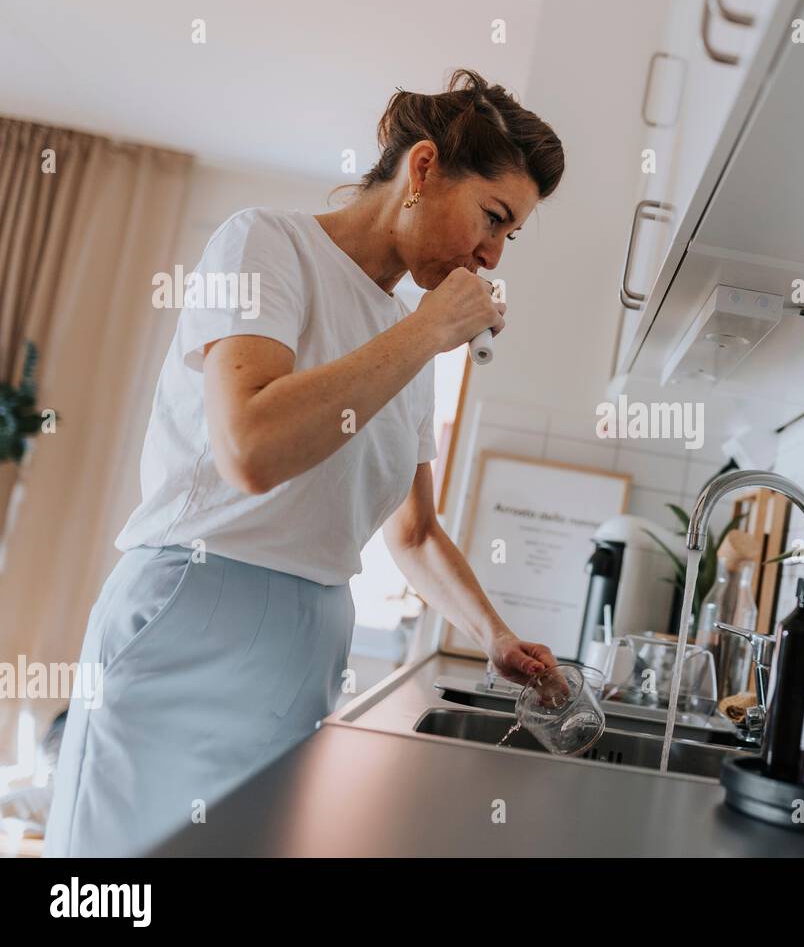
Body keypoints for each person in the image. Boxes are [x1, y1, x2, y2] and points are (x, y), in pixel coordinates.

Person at [44, 69, 562, 856]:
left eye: (508, 238)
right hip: (193, 610)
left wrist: (491, 634)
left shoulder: (408, 335)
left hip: (308, 643)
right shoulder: (265, 243)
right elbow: (251, 447)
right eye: (492, 218)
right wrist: (425, 333)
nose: (491, 254)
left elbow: (414, 534)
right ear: (422, 170)